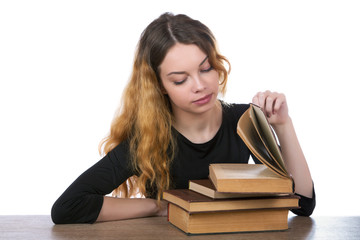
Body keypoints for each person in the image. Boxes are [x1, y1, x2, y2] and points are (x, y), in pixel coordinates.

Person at [51, 12, 315, 224]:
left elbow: (303, 204)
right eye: (180, 79)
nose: (199, 85)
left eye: (206, 68)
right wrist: (159, 207)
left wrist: (283, 125)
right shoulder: (149, 138)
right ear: (161, 86)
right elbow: (68, 207)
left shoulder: (243, 121)